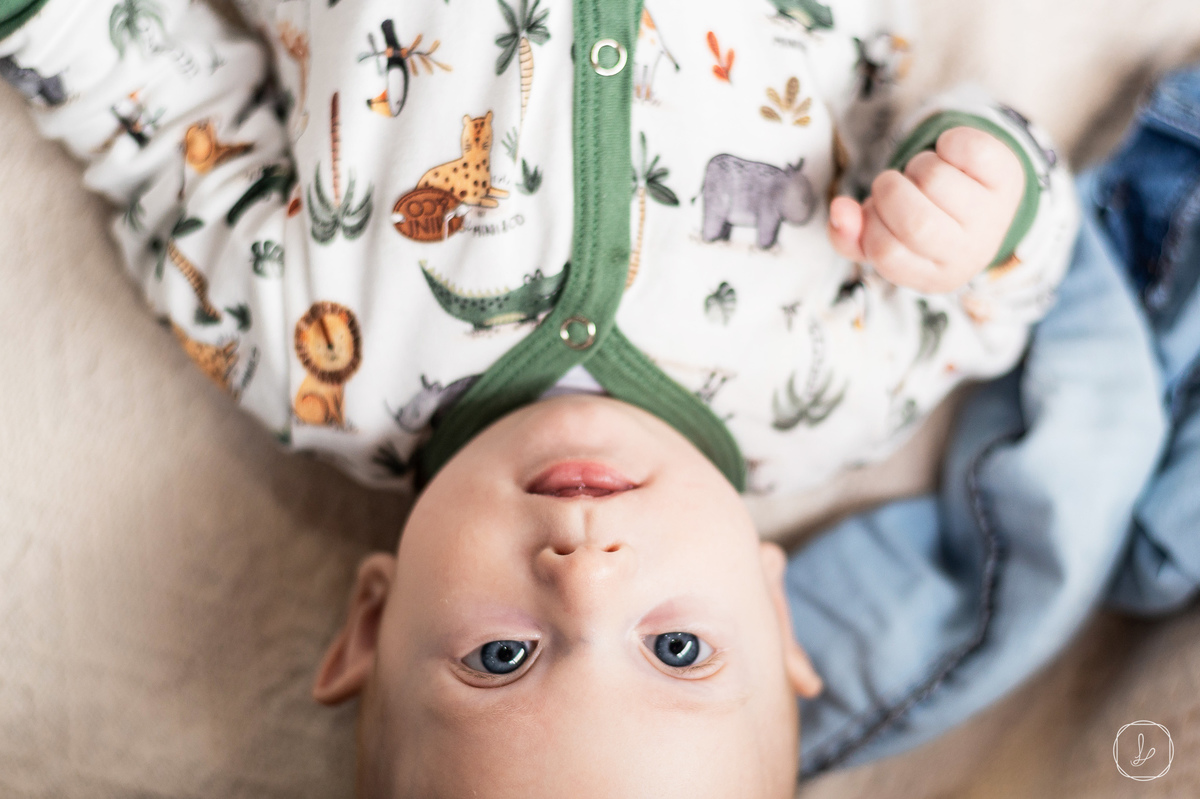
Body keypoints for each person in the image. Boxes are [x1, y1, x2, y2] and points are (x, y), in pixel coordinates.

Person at [0, 0, 1078, 794]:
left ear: (373, 619)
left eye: (502, 657)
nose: (586, 576)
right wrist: (973, 201)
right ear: (773, 610)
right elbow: (1005, 294)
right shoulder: (837, 391)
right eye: (678, 648)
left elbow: (162, 122)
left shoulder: (307, 360)